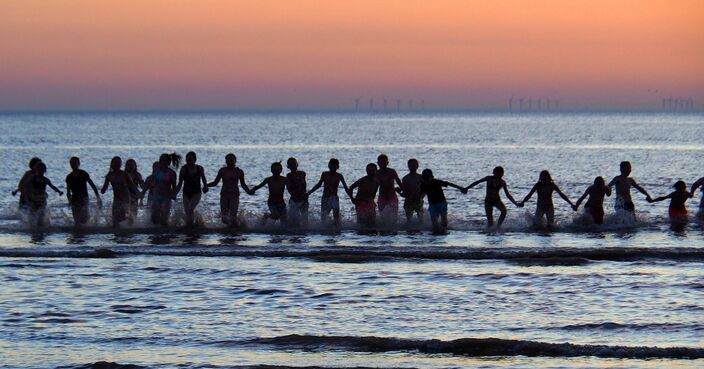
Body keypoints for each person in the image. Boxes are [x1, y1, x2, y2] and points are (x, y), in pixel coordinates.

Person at [207, 153, 250, 227]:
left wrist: (249, 191)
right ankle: (231, 228)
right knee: (224, 217)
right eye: (228, 160)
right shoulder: (222, 170)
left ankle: (236, 228)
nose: (230, 162)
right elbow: (215, 183)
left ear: (235, 161)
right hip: (224, 195)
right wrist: (205, 185)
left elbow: (243, 184)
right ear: (226, 161)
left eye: (231, 160)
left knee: (233, 216)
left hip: (234, 195)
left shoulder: (239, 171)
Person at [306, 158, 351, 227]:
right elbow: (319, 185)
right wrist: (309, 193)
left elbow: (345, 188)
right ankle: (324, 230)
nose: (332, 168)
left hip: (335, 198)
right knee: (324, 217)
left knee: (336, 217)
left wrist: (352, 198)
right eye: (331, 166)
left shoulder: (339, 176)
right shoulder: (324, 174)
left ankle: (336, 230)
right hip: (325, 198)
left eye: (334, 167)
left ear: (337, 167)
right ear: (328, 166)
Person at [142, 153, 180, 226]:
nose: (161, 162)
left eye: (163, 160)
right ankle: (155, 234)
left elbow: (174, 186)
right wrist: (143, 192)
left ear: (168, 162)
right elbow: (150, 181)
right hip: (156, 196)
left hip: (166, 197)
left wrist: (173, 195)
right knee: (154, 218)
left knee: (164, 219)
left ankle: (165, 234)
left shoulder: (172, 173)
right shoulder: (157, 171)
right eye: (160, 160)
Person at [101, 156, 140, 227]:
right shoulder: (109, 175)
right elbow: (103, 190)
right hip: (116, 199)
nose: (117, 165)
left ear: (120, 165)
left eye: (118, 163)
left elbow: (132, 185)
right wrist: (103, 188)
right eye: (115, 163)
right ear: (112, 164)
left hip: (126, 199)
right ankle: (118, 235)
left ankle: (129, 229)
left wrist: (139, 194)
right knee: (115, 220)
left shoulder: (124, 174)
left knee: (123, 218)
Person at [65, 157, 102, 226]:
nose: (73, 165)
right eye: (71, 163)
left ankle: (86, 232)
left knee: (84, 218)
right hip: (74, 199)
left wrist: (98, 197)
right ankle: (78, 233)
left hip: (84, 198)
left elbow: (93, 185)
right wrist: (69, 201)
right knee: (76, 220)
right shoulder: (69, 177)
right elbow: (68, 192)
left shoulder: (83, 173)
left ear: (78, 164)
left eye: (75, 163)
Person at [175, 152, 208, 227]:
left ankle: (193, 224)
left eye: (190, 160)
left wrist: (205, 186)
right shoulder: (184, 169)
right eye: (187, 160)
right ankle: (190, 224)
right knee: (187, 212)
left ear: (195, 160)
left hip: (196, 193)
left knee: (190, 209)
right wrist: (175, 193)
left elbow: (204, 179)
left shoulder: (199, 168)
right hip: (186, 193)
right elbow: (180, 183)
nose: (188, 162)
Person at [27, 162, 63, 226]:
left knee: (41, 215)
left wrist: (59, 191)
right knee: (32, 215)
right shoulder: (32, 178)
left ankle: (41, 226)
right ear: (36, 170)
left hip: (42, 200)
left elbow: (52, 186)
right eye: (38, 169)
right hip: (34, 199)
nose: (40, 171)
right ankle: (32, 228)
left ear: (44, 170)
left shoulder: (46, 180)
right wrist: (16, 191)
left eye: (42, 169)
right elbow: (25, 185)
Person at [375, 154, 402, 223]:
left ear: (387, 163)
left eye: (384, 162)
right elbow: (374, 185)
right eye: (380, 163)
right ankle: (383, 227)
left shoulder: (392, 171)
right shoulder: (376, 173)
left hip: (392, 195)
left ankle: (393, 226)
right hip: (382, 195)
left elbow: (398, 181)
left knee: (394, 213)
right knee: (382, 214)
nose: (382, 164)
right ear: (378, 163)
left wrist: (403, 190)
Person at [285, 157, 308, 227]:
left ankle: (303, 232)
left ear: (297, 165)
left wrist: (304, 196)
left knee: (305, 219)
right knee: (293, 220)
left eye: (294, 164)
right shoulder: (288, 176)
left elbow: (303, 185)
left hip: (303, 198)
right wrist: (297, 189)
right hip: (294, 199)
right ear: (288, 166)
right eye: (291, 164)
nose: (293, 166)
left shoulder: (302, 173)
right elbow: (289, 189)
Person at [400, 158, 424, 224]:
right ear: (408, 167)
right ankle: (409, 231)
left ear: (417, 166)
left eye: (414, 165)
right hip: (408, 200)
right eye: (410, 166)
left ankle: (422, 230)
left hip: (418, 200)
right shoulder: (405, 178)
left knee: (421, 218)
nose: (412, 167)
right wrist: (398, 192)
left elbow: (425, 190)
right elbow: (404, 193)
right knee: (409, 220)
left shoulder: (421, 177)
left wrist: (421, 197)